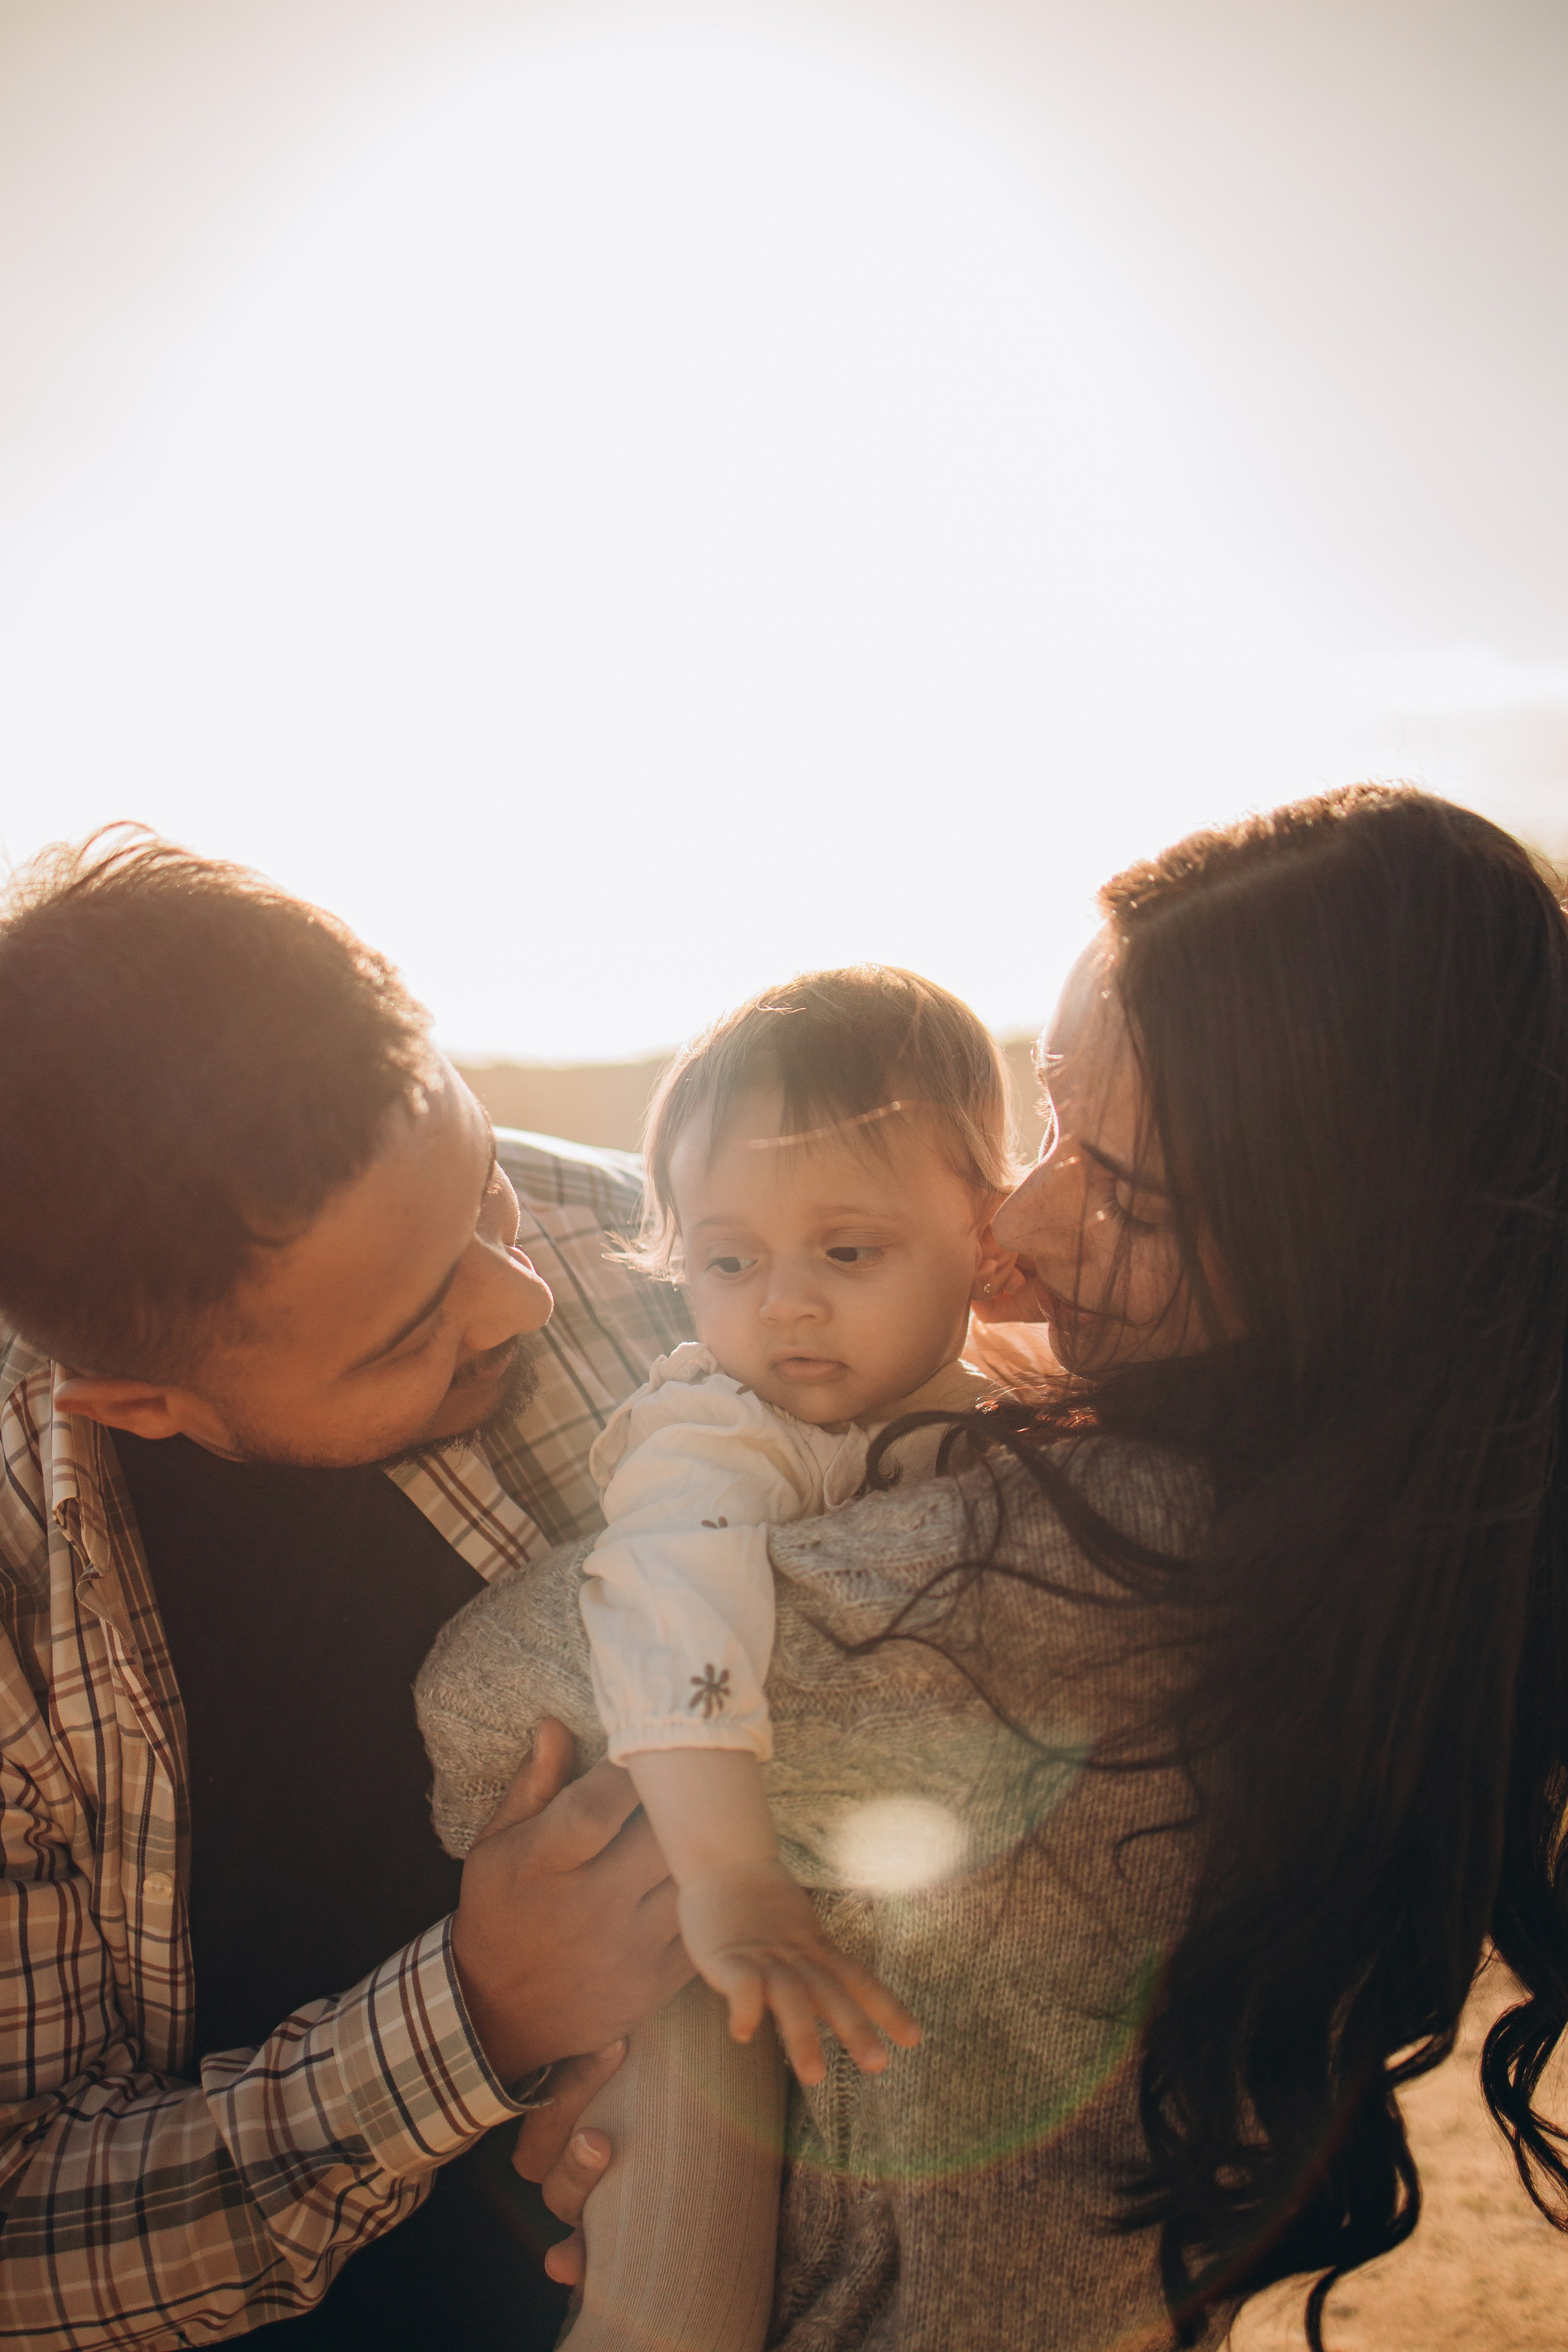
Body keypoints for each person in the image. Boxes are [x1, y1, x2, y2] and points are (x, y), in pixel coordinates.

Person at [417, 785, 1568, 2352]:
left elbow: (498, 1692)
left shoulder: (1088, 1565)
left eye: (1118, 1184)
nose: (1015, 1210)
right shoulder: (1398, 1531)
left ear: (1322, 1249)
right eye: (1047, 1116)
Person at [0, 830, 698, 2346]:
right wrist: (481, 2016)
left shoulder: (672, 1250)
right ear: (141, 1405)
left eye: (483, 1188)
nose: (522, 1293)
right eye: (407, 1334)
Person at [425, 966, 1020, 2351]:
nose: (785, 1307)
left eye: (848, 1252)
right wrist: (731, 1877)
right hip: (652, 1872)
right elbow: (671, 1612)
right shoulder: (721, 1431)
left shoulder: (990, 1410)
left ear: (986, 1241)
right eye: (729, 1260)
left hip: (833, 1873)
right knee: (683, 2253)